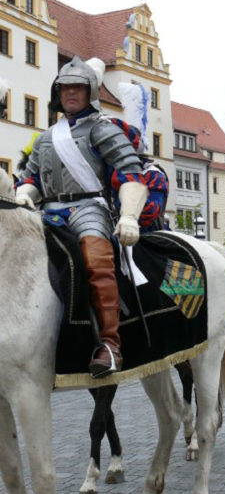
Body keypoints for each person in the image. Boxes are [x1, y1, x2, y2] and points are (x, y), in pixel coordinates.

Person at [15, 56, 148, 378]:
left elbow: (131, 172)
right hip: (47, 212)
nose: (71, 93)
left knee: (96, 259)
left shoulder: (103, 128)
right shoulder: (46, 138)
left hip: (89, 208)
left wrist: (129, 216)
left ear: (90, 92)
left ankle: (109, 343)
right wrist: (23, 196)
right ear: (57, 93)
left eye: (78, 87)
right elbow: (32, 180)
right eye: (65, 88)